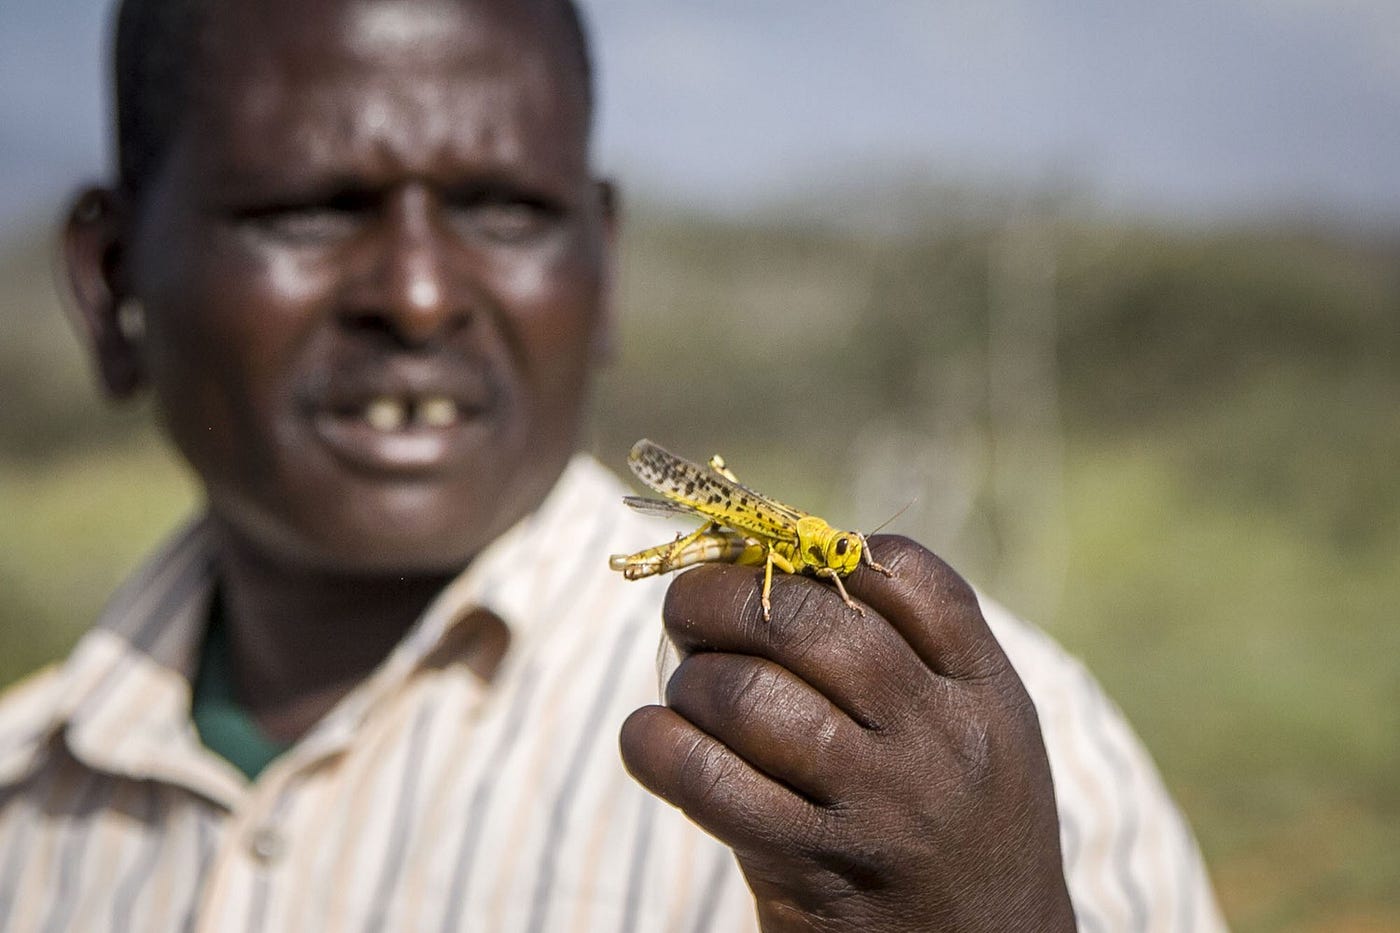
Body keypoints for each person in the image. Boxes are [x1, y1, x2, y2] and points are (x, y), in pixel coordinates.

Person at [0, 0, 1227, 929]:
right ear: (113, 289)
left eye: (504, 209)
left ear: (605, 266)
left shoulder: (970, 763)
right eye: (305, 209)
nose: (420, 297)